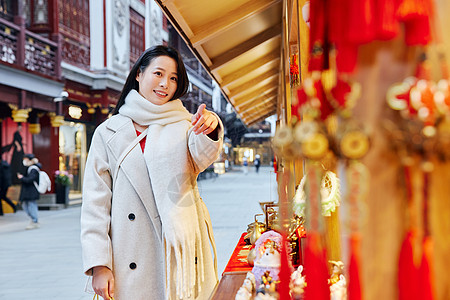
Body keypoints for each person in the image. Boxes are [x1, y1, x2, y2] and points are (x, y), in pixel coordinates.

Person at [81, 45, 223, 300]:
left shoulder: (185, 124)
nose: (165, 84)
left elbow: (203, 156)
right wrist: (99, 265)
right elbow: (95, 205)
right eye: (158, 74)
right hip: (130, 254)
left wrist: (210, 127)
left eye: (173, 78)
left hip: (180, 250)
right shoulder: (108, 131)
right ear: (139, 74)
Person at [17, 154, 40, 229]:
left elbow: (30, 179)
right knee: (26, 206)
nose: (24, 161)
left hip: (31, 191)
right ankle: (34, 220)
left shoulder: (33, 169)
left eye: (26, 159)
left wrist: (22, 178)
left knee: (31, 206)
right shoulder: (29, 168)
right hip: (28, 191)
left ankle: (35, 221)